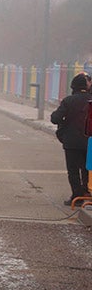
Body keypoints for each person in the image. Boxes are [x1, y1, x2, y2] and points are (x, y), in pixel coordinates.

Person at [50, 72, 92, 206]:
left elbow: (55, 118)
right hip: (89, 142)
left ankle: (77, 195)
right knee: (87, 169)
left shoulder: (68, 101)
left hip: (71, 142)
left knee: (73, 170)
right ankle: (87, 192)